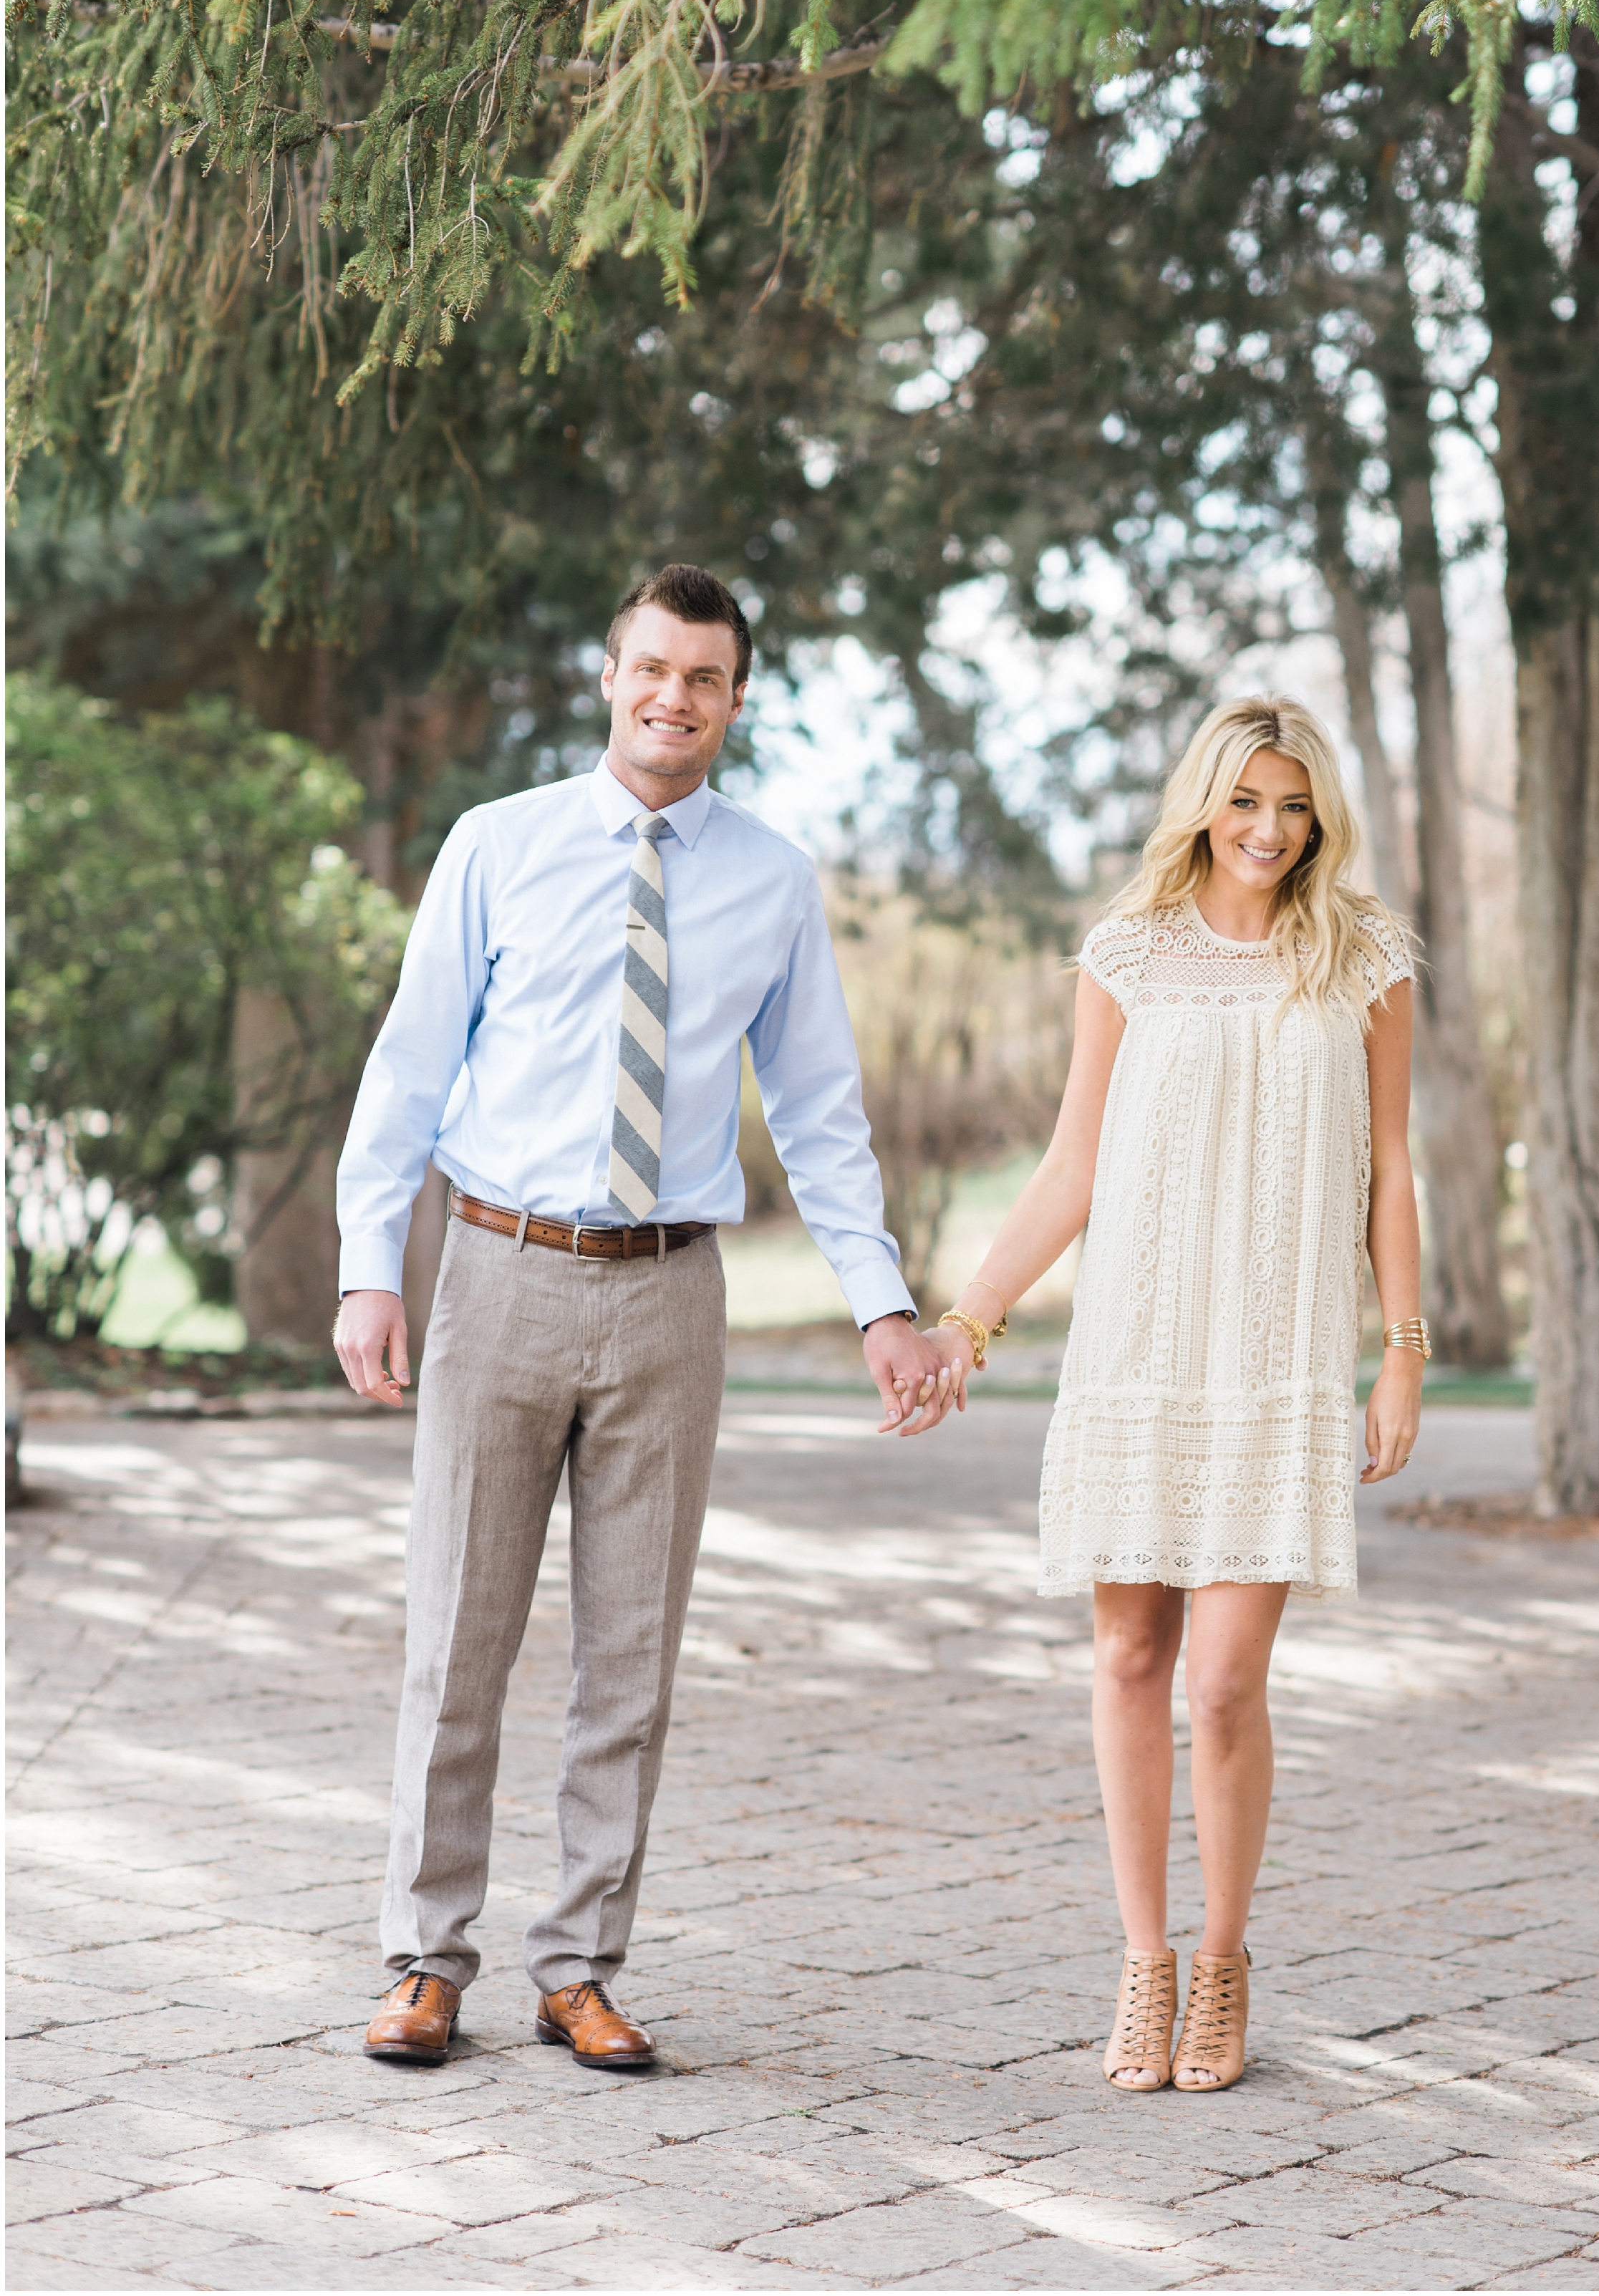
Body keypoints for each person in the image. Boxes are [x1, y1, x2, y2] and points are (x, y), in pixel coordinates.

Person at [334, 564, 948, 2072]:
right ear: (608, 676)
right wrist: (369, 1262)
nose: (674, 697)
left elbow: (815, 1110)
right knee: (456, 1640)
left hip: (672, 1293)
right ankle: (426, 1959)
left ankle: (581, 1967)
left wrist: (879, 1299)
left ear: (736, 701)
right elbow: (410, 1067)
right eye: (651, 668)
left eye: (706, 678)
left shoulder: (770, 878)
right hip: (499, 1271)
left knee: (631, 1657)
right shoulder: (499, 846)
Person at [920, 695, 1424, 2094]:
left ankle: (1222, 1962)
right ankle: (1140, 1965)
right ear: (1203, 800)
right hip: (1135, 1351)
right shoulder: (1126, 956)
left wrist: (1401, 1349)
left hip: (1271, 1363)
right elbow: (1070, 1163)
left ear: (1320, 816)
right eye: (1246, 801)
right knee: (1129, 1661)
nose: (1268, 831)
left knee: (1220, 1683)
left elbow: (1390, 1171)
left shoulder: (1364, 961)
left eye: (1294, 806)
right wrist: (970, 1317)